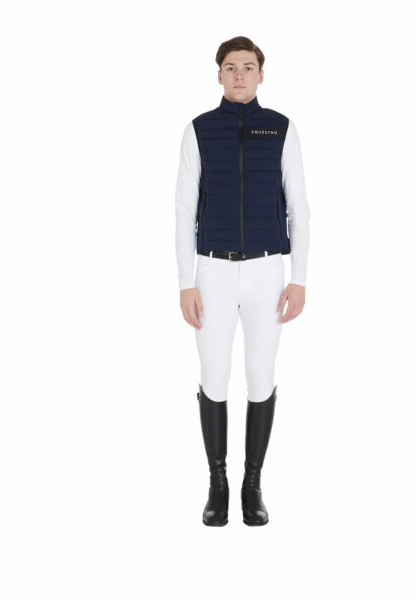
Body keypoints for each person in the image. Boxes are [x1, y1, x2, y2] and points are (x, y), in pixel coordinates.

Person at [174, 36, 310, 526]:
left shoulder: (281, 129)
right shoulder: (198, 130)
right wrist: (185, 282)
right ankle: (218, 483)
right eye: (230, 67)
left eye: (248, 67)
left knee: (260, 376)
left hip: (267, 273)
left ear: (260, 76)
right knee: (213, 377)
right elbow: (184, 210)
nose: (239, 75)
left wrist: (299, 278)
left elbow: (299, 208)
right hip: (212, 272)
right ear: (219, 75)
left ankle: (253, 485)